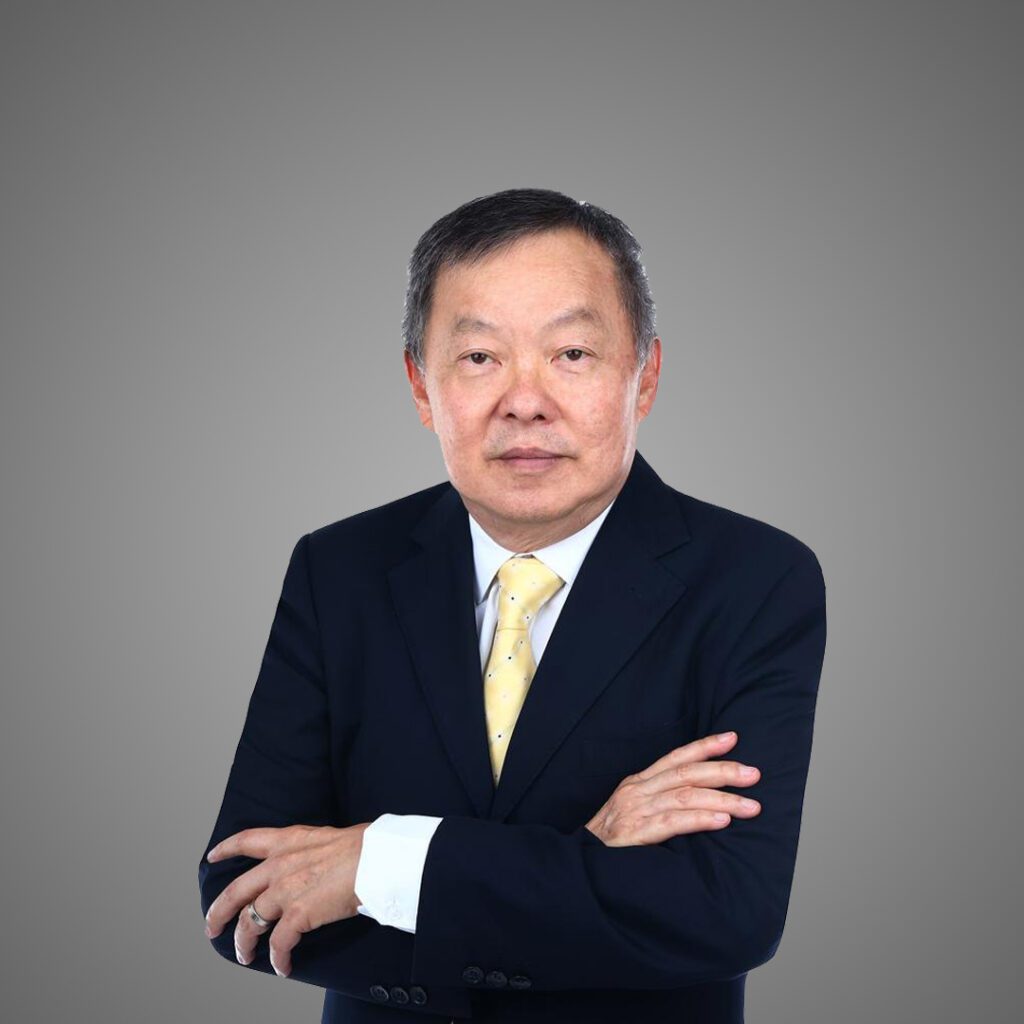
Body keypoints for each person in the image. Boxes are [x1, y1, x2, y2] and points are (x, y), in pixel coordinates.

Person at [199, 187, 828, 1023]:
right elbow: (243, 894)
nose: (525, 400)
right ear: (420, 386)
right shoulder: (340, 570)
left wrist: (386, 864)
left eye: (571, 353)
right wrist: (586, 858)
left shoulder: (755, 581)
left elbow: (725, 913)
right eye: (479, 357)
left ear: (645, 375)